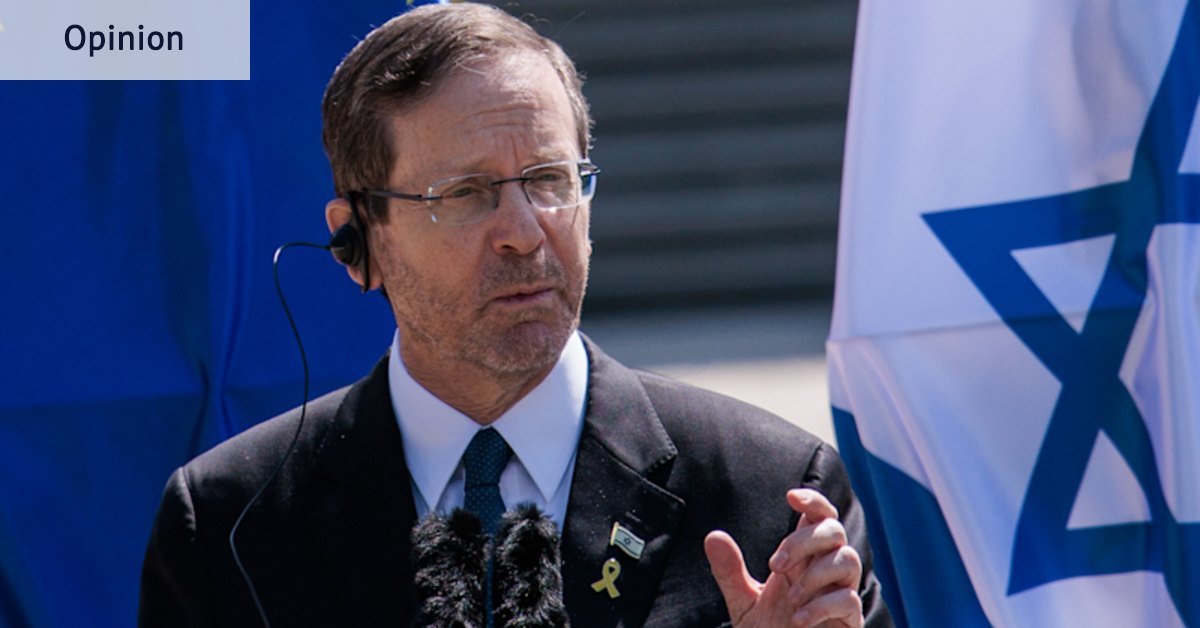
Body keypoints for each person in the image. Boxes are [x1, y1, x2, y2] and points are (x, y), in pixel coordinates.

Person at [139, 3, 891, 627]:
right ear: (358, 242)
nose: (525, 232)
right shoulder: (231, 525)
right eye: (465, 193)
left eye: (550, 180)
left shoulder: (774, 497)